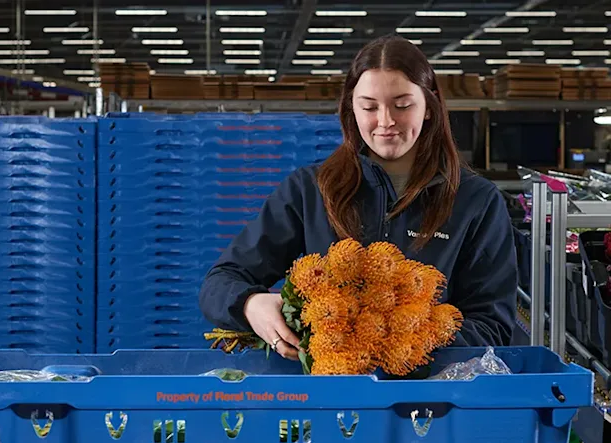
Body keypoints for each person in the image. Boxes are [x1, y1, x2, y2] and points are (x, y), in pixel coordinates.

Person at [198, 35, 517, 361]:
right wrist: (251, 305)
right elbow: (220, 282)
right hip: (330, 394)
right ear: (352, 108)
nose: (385, 121)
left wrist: (402, 345)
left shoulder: (476, 201)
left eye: (402, 105)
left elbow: (493, 324)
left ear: (430, 108)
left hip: (433, 396)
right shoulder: (310, 190)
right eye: (369, 106)